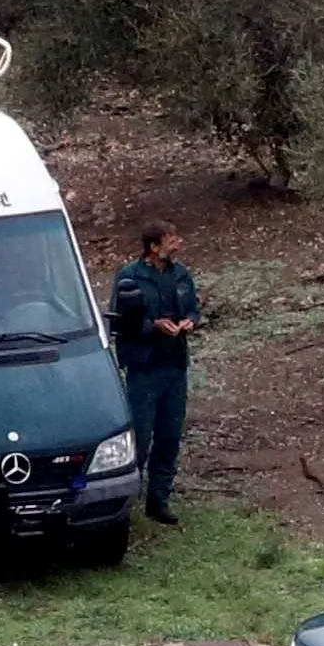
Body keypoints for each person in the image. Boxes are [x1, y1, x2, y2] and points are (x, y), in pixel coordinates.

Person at [101, 220, 200, 523]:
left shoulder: (181, 273)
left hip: (174, 367)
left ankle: (159, 500)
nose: (177, 244)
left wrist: (189, 322)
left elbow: (192, 308)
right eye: (171, 240)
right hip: (144, 369)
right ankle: (126, 502)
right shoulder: (130, 277)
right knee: (140, 439)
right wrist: (153, 326)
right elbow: (118, 323)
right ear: (153, 247)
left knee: (169, 436)